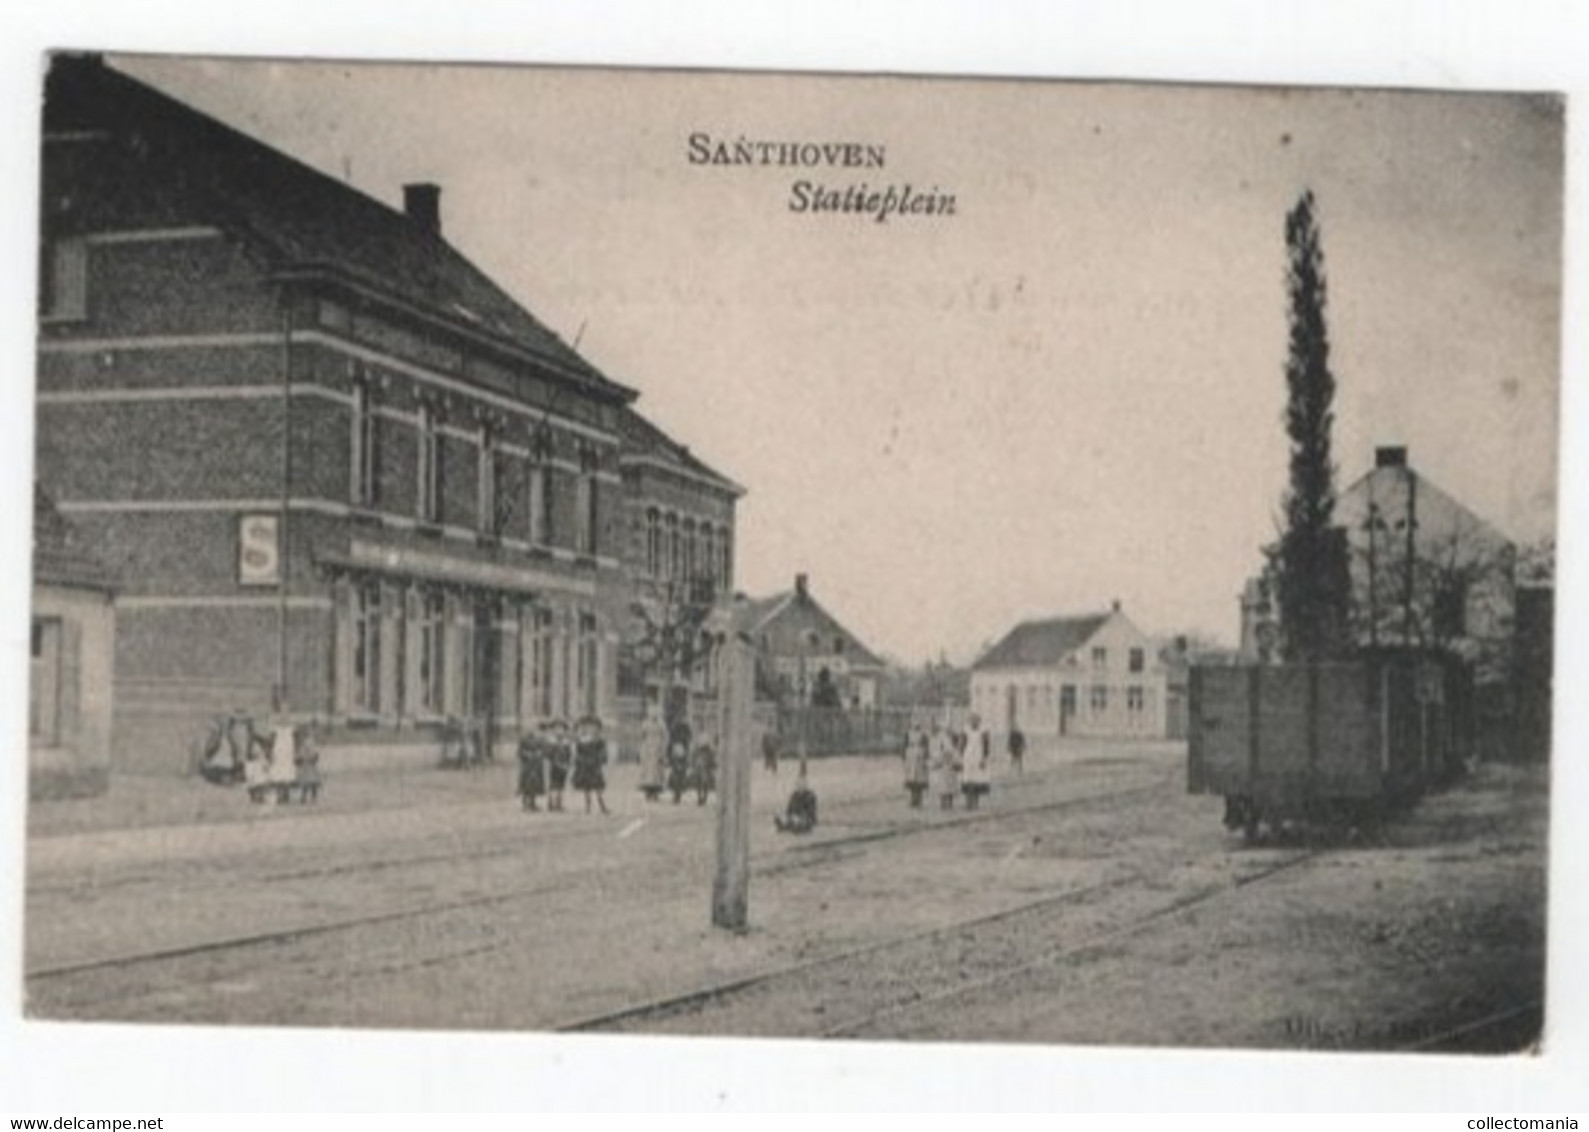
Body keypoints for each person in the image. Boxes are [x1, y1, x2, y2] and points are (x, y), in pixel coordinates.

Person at [572, 715, 610, 815]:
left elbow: (603, 752)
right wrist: (579, 762)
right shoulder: (581, 741)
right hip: (585, 766)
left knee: (598, 786)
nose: (590, 729)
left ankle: (602, 805)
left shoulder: (598, 741)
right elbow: (578, 753)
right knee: (587, 787)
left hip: (595, 765)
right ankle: (588, 806)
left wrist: (601, 759)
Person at [774, 760, 818, 834]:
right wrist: (787, 816)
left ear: (805, 784)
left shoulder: (810, 796)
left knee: (798, 821)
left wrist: (797, 816)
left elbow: (810, 812)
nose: (799, 786)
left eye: (801, 784)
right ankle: (787, 825)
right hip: (794, 817)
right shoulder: (794, 795)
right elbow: (789, 810)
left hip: (806, 818)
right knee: (781, 818)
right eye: (798, 784)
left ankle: (796, 826)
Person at [961, 712, 992, 811]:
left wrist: (984, 758)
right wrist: (961, 756)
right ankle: (968, 802)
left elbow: (986, 746)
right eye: (972, 721)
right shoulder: (965, 731)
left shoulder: (983, 732)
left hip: (979, 756)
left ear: (979, 722)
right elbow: (961, 745)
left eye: (976, 721)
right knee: (968, 780)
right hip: (968, 757)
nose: (974, 723)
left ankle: (975, 802)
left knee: (977, 781)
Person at [637, 704, 667, 803]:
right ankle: (648, 791)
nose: (653, 715)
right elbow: (641, 735)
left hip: (658, 748)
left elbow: (665, 736)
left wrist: (663, 747)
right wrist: (641, 748)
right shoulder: (645, 724)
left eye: (655, 714)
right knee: (647, 771)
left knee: (657, 771)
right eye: (651, 713)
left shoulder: (661, 724)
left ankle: (656, 792)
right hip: (648, 749)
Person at [930, 720, 960, 811]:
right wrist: (938, 759)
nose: (948, 731)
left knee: (951, 784)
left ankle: (950, 803)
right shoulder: (940, 738)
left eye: (949, 729)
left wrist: (956, 759)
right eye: (946, 729)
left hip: (951, 762)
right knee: (942, 784)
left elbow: (956, 749)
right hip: (943, 763)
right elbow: (936, 750)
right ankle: (943, 803)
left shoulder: (955, 738)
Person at [516, 727, 547, 812]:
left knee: (535, 784)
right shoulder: (523, 740)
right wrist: (527, 754)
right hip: (527, 765)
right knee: (526, 784)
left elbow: (543, 750)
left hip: (536, 765)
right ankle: (526, 802)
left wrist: (539, 754)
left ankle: (533, 802)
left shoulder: (540, 739)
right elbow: (519, 752)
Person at [544, 719, 572, 813]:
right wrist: (553, 762)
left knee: (561, 784)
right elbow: (548, 754)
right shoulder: (551, 741)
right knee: (553, 784)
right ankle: (551, 803)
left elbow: (569, 754)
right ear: (553, 730)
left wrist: (567, 763)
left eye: (561, 729)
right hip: (554, 765)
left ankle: (559, 803)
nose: (559, 731)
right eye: (557, 729)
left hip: (563, 766)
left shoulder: (566, 742)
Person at [666, 718, 693, 805]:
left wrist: (669, 755)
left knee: (678, 774)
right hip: (680, 753)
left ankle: (677, 794)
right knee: (679, 774)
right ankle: (677, 794)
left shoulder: (678, 729)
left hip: (678, 753)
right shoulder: (684, 729)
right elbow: (689, 739)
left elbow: (670, 743)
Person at [904, 721, 930, 809]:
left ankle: (919, 798)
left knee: (919, 779)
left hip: (920, 756)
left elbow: (927, 746)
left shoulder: (923, 735)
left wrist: (925, 755)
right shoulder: (908, 734)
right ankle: (913, 798)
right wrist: (905, 755)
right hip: (911, 756)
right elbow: (904, 745)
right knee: (911, 778)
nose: (916, 726)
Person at [295, 722, 323, 804]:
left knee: (312, 782)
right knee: (307, 782)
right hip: (306, 764)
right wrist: (299, 758)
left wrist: (313, 758)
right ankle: (305, 797)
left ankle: (312, 797)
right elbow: (300, 753)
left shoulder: (310, 741)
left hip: (310, 764)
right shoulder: (303, 743)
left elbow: (315, 753)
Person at [691, 734, 718, 806]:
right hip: (701, 766)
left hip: (704, 767)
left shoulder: (708, 751)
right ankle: (701, 797)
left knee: (703, 782)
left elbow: (712, 757)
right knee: (700, 782)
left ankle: (703, 797)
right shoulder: (700, 750)